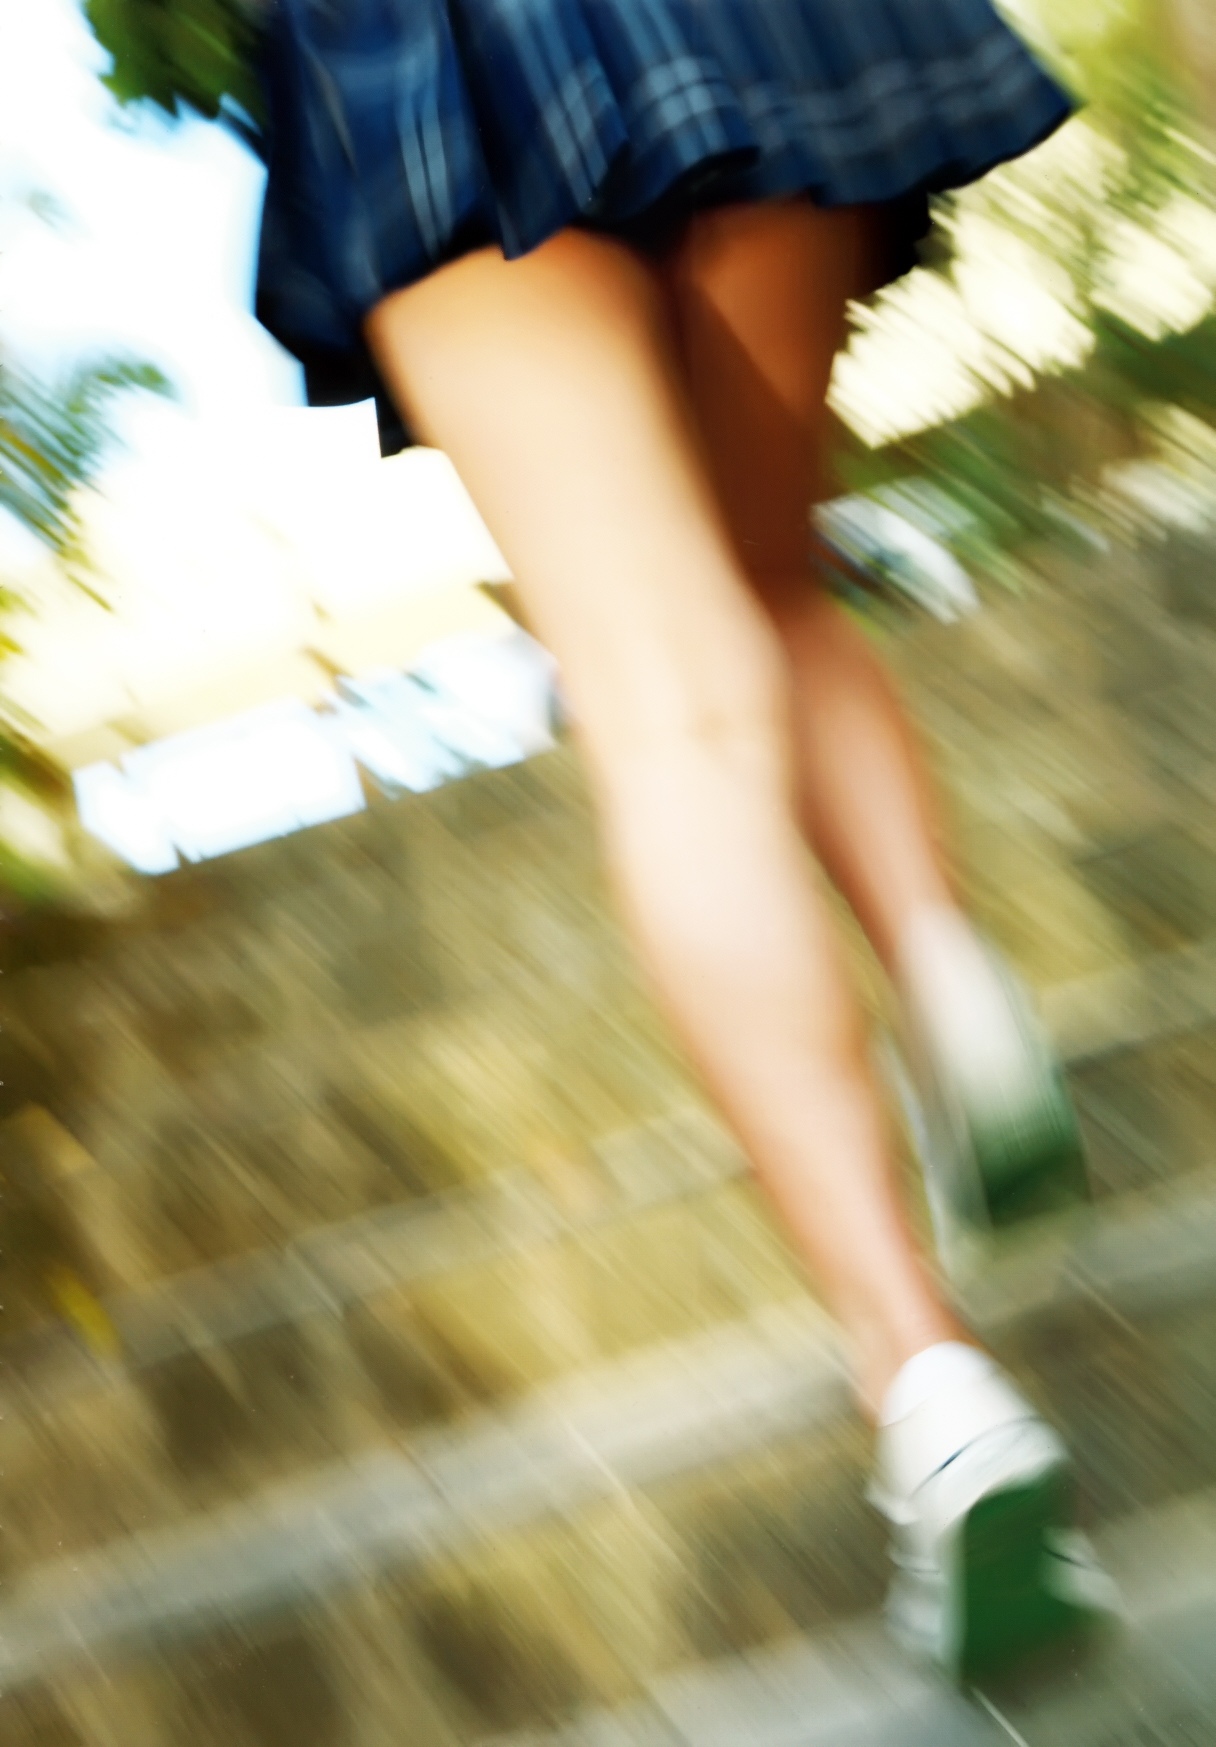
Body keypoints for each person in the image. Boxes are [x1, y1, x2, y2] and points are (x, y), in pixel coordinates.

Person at [248, 0, 1111, 1682]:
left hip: (429, 51)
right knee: (771, 578)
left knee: (667, 696)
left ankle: (927, 1377)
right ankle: (948, 977)